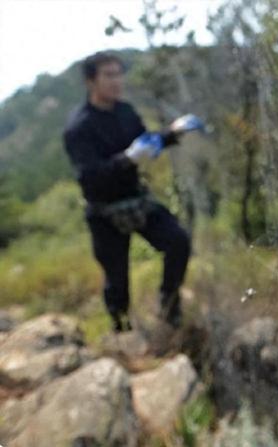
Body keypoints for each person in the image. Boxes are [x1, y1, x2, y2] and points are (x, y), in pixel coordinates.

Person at [63, 51, 191, 332]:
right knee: (117, 279)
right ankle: (121, 332)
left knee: (178, 240)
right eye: (108, 75)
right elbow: (90, 175)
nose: (116, 80)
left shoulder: (125, 111)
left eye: (119, 73)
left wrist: (172, 133)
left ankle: (169, 307)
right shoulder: (78, 127)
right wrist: (127, 159)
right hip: (103, 211)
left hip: (136, 199)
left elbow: (145, 140)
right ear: (91, 81)